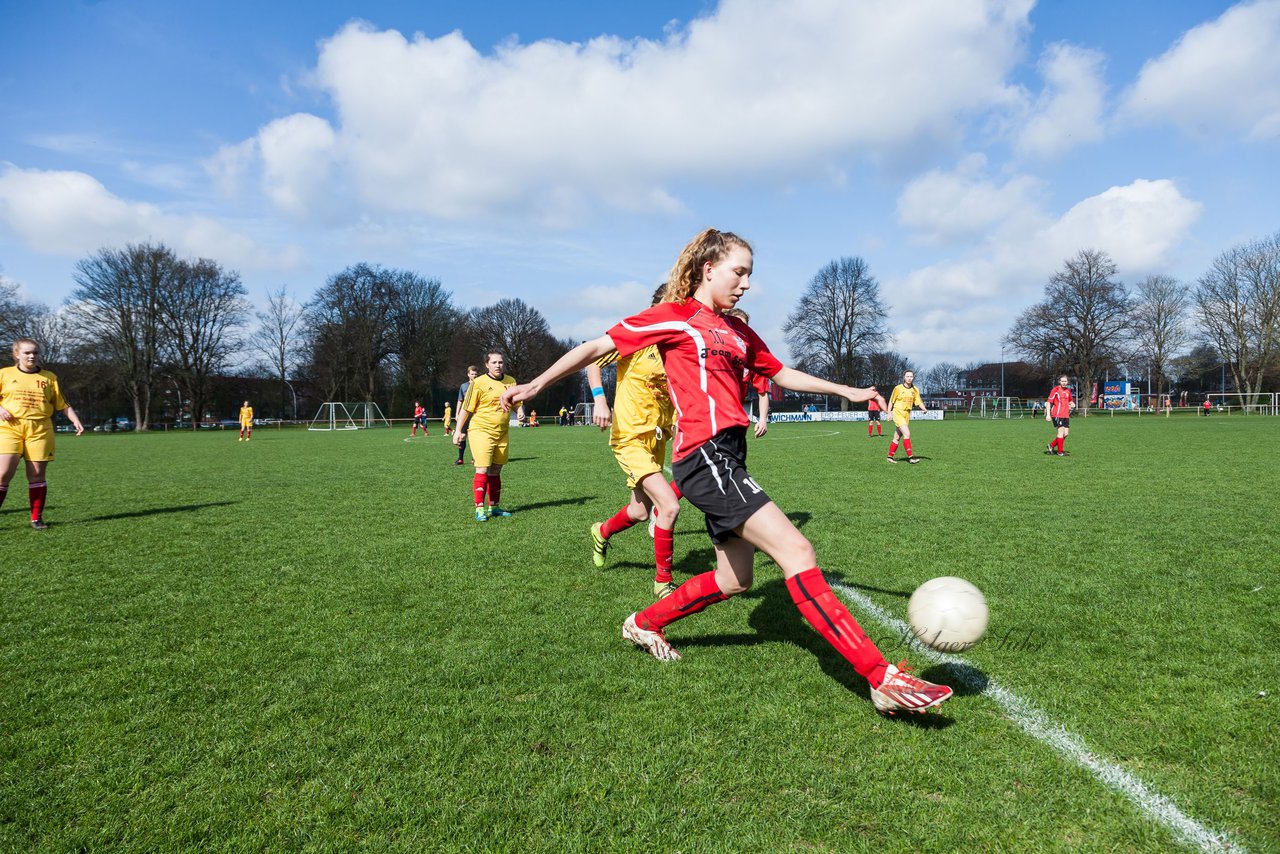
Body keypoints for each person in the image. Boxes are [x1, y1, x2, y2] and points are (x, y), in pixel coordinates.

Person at [502, 228, 952, 715]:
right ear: (707, 269)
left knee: (734, 580)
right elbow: (594, 348)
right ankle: (879, 677)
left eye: (750, 275)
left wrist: (848, 391)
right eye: (739, 272)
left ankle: (644, 622)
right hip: (703, 456)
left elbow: (781, 374)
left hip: (730, 457)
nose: (746, 283)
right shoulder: (674, 318)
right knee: (797, 550)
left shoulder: (737, 331)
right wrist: (536, 383)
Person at [586, 284, 683, 599]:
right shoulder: (637, 334)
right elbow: (592, 359)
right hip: (629, 435)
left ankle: (602, 532)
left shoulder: (677, 345)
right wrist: (600, 400)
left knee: (640, 512)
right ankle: (663, 583)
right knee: (668, 505)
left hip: (657, 437)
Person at [0, 338, 85, 529]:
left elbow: (62, 404)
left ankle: (36, 518)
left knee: (37, 475)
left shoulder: (49, 377)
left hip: (40, 429)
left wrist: (75, 419)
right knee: (3, 474)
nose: (32, 356)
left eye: (35, 352)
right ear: (17, 354)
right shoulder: (4, 374)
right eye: (27, 352)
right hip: (9, 428)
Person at [454, 353, 522, 521]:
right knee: (482, 468)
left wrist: (519, 410)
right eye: (494, 362)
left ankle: (494, 507)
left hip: (502, 431)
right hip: (481, 431)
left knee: (496, 469)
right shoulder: (478, 383)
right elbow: (467, 408)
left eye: (500, 362)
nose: (498, 365)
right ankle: (479, 509)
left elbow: (516, 402)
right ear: (487, 364)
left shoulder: (511, 381)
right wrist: (457, 430)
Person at [886, 370, 926, 463]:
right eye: (907, 376)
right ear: (904, 377)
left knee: (897, 437)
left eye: (911, 376)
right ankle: (911, 457)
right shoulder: (898, 388)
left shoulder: (915, 389)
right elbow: (891, 401)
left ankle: (890, 457)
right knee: (907, 434)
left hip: (907, 414)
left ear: (913, 378)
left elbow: (918, 401)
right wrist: (889, 413)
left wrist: (924, 408)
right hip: (898, 412)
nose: (909, 378)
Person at [1045, 375, 1075, 456]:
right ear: (1059, 382)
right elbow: (1049, 402)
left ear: (1067, 382)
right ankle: (1060, 452)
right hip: (1057, 414)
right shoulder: (1055, 390)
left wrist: (1072, 404)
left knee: (1066, 434)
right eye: (1062, 381)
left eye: (1065, 381)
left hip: (1066, 415)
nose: (1064, 383)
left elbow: (1070, 401)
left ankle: (1051, 445)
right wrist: (1048, 414)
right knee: (1060, 432)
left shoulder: (1068, 391)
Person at [454, 366, 478, 465]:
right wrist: (457, 413)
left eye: (476, 374)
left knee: (476, 436)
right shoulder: (463, 386)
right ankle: (460, 458)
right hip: (465, 414)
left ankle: (475, 458)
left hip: (476, 414)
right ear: (468, 374)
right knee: (462, 436)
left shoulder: (480, 385)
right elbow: (460, 400)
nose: (474, 376)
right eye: (472, 374)